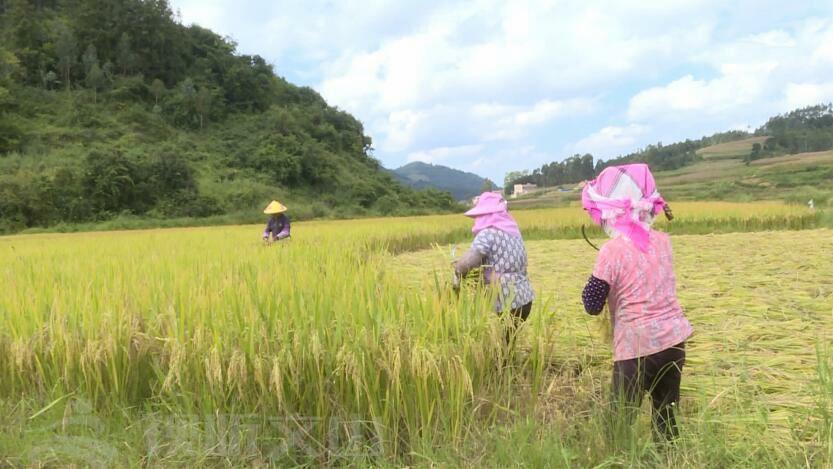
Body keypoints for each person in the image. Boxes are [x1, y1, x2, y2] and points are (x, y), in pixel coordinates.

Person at [580, 163, 693, 441]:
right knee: (666, 418)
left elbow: (592, 304)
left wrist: (597, 283)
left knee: (619, 424)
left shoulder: (611, 251)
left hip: (636, 349)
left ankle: (618, 459)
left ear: (608, 212)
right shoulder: (664, 241)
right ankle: (668, 459)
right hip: (673, 343)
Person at [453, 192, 534, 345]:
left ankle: (500, 368)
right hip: (525, 299)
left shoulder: (488, 234)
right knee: (507, 344)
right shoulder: (513, 233)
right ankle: (508, 366)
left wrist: (457, 274)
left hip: (505, 301)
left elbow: (467, 263)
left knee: (499, 346)